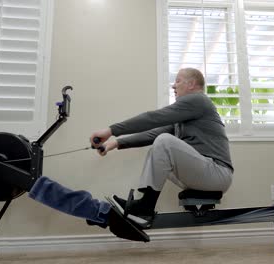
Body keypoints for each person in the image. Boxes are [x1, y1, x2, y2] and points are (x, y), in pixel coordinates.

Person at [90, 68, 234, 227]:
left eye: (178, 81)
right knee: (157, 148)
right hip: (205, 172)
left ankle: (145, 208)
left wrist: (111, 131)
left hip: (217, 172)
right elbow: (152, 134)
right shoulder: (184, 117)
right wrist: (116, 143)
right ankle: (143, 205)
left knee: (164, 142)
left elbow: (153, 118)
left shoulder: (198, 100)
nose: (174, 86)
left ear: (192, 84)